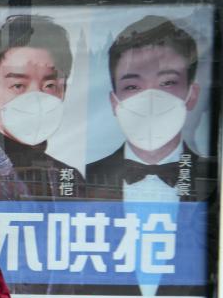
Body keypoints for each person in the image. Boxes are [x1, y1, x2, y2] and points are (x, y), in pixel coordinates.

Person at [86, 15, 215, 202]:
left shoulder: (212, 176)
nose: (150, 98)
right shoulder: (84, 178)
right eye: (132, 86)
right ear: (114, 103)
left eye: (167, 82)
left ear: (192, 95)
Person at [0, 14, 84, 201]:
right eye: (18, 86)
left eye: (49, 86)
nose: (35, 98)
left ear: (63, 91)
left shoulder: (71, 179)